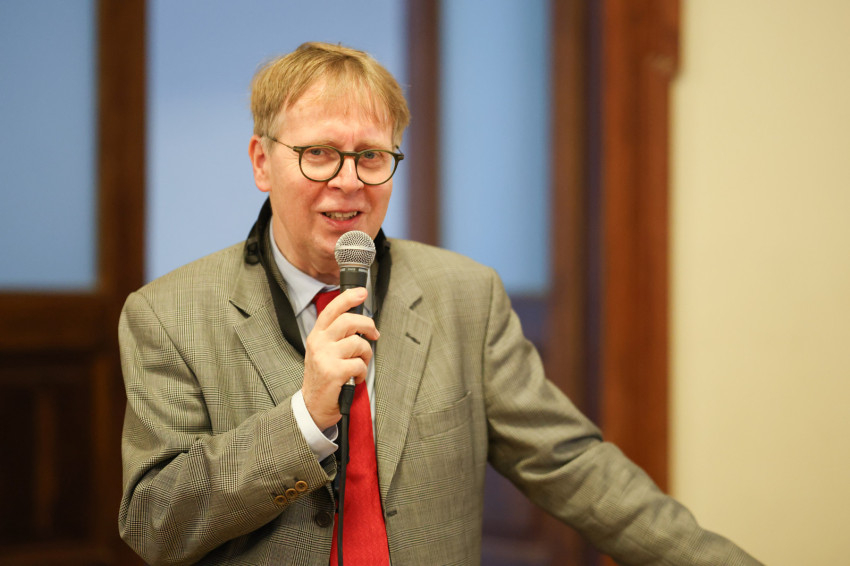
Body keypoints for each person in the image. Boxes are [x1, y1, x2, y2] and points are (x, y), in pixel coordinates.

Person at [118, 42, 761, 565]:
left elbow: (573, 466)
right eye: (319, 154)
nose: (349, 181)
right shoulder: (169, 316)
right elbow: (155, 522)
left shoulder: (464, 296)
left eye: (372, 156)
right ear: (262, 162)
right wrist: (304, 421)